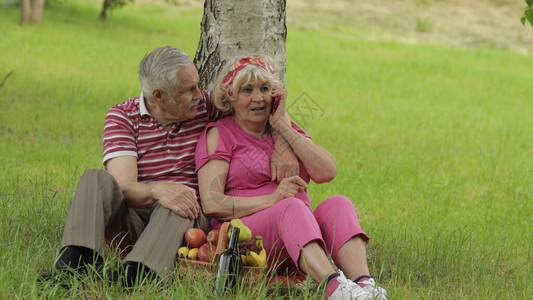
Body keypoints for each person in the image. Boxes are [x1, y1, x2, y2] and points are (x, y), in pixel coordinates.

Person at [39, 46, 298, 287]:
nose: (200, 95)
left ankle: (138, 274)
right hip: (130, 222)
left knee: (183, 199)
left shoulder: (206, 107)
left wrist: (283, 146)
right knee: (96, 178)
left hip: (181, 224)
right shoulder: (123, 116)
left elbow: (261, 110)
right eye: (189, 90)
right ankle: (74, 265)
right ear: (159, 96)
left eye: (197, 86)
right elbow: (123, 187)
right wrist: (157, 191)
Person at [195, 56, 387, 300]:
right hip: (246, 236)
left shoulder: (285, 129)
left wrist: (283, 127)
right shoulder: (219, 134)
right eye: (247, 90)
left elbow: (327, 171)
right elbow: (212, 203)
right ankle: (336, 289)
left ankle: (364, 286)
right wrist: (274, 199)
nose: (258, 98)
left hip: (299, 235)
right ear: (230, 97)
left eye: (265, 89)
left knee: (339, 203)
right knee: (291, 206)